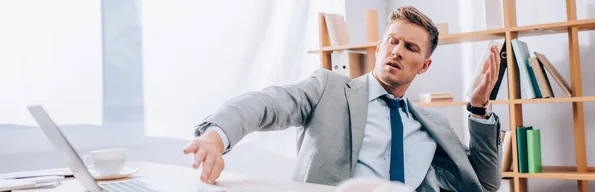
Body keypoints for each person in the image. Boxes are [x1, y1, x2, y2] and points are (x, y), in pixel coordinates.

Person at [183, 6, 502, 192]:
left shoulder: (433, 125)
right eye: (392, 41)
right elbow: (268, 102)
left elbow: (486, 185)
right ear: (379, 48)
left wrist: (478, 106)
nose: (397, 52)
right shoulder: (328, 89)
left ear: (424, 66)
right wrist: (217, 135)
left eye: (410, 48)